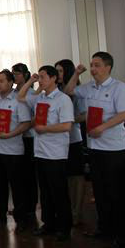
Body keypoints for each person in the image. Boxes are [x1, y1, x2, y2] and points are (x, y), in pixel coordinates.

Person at [63, 52, 125, 248]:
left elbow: (123, 114)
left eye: (97, 65)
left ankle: (123, 234)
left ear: (107, 67)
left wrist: (102, 127)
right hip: (94, 148)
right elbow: (69, 90)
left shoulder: (119, 87)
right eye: (91, 65)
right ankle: (104, 228)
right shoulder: (89, 87)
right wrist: (77, 73)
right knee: (100, 192)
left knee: (116, 193)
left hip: (113, 149)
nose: (93, 69)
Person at [18, 66, 74, 241]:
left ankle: (64, 227)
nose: (40, 80)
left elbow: (67, 125)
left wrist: (45, 129)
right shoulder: (39, 98)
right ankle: (48, 223)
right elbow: (20, 96)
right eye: (39, 77)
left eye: (43, 77)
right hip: (40, 151)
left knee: (59, 191)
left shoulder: (63, 99)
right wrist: (30, 80)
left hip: (56, 153)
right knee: (45, 191)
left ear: (53, 78)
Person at [0, 70, 32, 232]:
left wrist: (10, 134)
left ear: (10, 83)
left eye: (2, 81)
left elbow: (26, 123)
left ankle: (21, 218)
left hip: (13, 150)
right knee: (0, 184)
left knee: (17, 186)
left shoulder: (18, 100)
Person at [55, 59, 87, 226]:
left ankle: (77, 211)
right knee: (65, 176)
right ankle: (67, 209)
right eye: (56, 71)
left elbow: (85, 114)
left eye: (60, 71)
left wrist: (68, 119)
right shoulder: (56, 90)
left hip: (74, 138)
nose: (57, 74)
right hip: (58, 140)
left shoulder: (77, 90)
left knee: (77, 176)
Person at [12, 62, 38, 218]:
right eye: (13, 73)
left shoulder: (32, 93)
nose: (15, 76)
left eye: (18, 73)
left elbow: (36, 115)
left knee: (29, 174)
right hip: (16, 137)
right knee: (19, 175)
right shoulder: (13, 92)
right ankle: (21, 206)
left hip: (29, 137)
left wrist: (26, 125)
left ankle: (31, 207)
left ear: (26, 75)